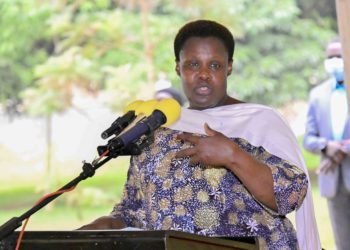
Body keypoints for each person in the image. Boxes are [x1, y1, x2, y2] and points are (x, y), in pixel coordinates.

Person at [79, 20, 321, 250]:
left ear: (229, 67)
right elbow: (133, 210)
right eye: (193, 64)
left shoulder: (259, 121)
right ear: (178, 67)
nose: (204, 74)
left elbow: (290, 196)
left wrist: (232, 156)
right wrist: (101, 227)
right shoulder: (158, 131)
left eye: (214, 65)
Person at [303, 38, 350, 250]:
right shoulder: (317, 95)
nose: (335, 61)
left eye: (339, 56)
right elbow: (309, 139)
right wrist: (327, 146)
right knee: (343, 241)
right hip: (333, 182)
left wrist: (342, 152)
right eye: (330, 57)